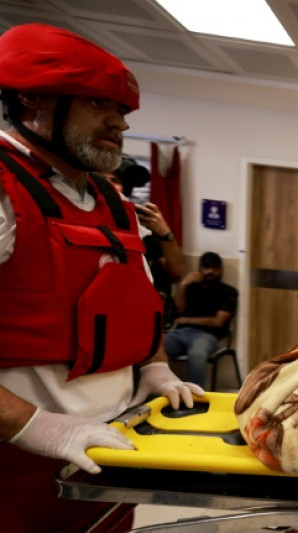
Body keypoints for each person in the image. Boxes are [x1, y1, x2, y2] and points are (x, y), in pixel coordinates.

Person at [0, 23, 204, 532]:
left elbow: (138, 306)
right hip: (15, 474)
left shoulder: (115, 205)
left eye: (123, 111)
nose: (119, 124)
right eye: (98, 105)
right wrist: (34, 425)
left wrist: (156, 367)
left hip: (112, 460)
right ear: (32, 102)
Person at [104, 155, 187, 327]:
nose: (108, 185)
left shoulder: (136, 227)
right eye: (102, 179)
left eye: (114, 180)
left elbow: (177, 269)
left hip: (133, 312)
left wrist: (165, 233)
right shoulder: (77, 218)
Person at [164, 251, 238, 388]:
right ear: (199, 270)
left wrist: (187, 320)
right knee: (154, 348)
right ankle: (155, 393)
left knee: (197, 354)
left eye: (214, 268)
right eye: (206, 267)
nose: (210, 271)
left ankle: (195, 400)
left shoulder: (228, 292)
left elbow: (218, 322)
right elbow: (178, 310)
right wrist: (183, 285)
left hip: (207, 336)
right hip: (179, 334)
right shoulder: (191, 288)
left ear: (220, 270)